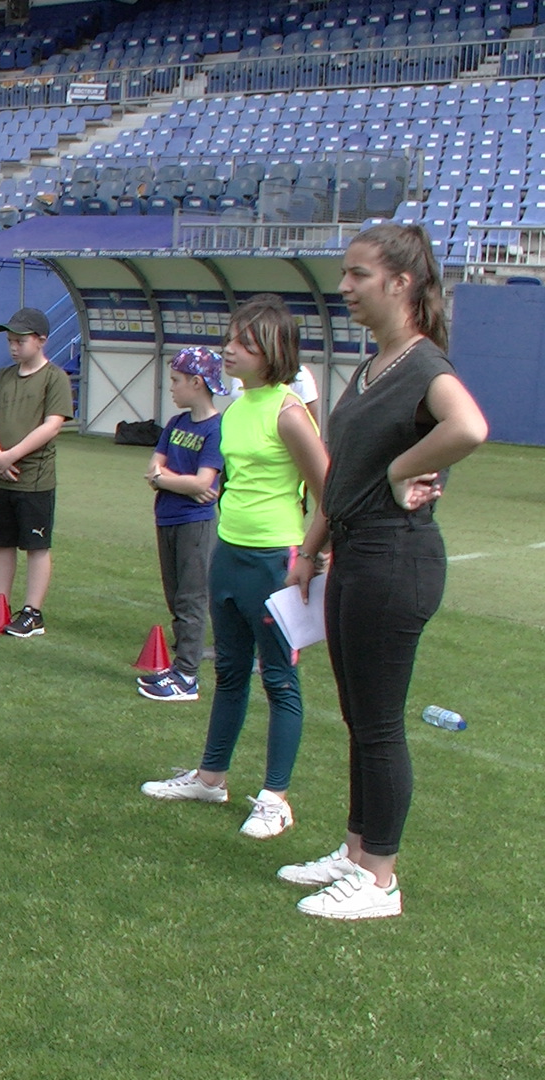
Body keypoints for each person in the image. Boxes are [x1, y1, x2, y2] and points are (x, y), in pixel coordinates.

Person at [278, 224, 489, 920]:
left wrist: (403, 469)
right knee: (358, 716)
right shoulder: (378, 366)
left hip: (395, 558)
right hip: (355, 553)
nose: (345, 288)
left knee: (378, 724)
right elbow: (345, 477)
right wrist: (312, 547)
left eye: (358, 275)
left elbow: (470, 427)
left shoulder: (425, 365)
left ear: (400, 283)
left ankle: (381, 880)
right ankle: (355, 852)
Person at [141, 294, 328, 840]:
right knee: (228, 672)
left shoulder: (289, 412)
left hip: (277, 561)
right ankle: (211, 776)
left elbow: (328, 491)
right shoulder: (238, 409)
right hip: (229, 552)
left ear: (271, 351)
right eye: (231, 337)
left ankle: (275, 796)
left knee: (279, 680)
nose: (229, 349)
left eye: (243, 342)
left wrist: (311, 557)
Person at [0, 307, 73, 638]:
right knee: (2, 542)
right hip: (0, 476)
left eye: (21, 341)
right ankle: (0, 602)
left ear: (41, 341)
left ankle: (33, 611)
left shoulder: (55, 378)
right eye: (11, 341)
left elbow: (52, 425)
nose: (14, 347)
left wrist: (12, 454)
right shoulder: (4, 376)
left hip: (34, 478)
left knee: (36, 545)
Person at [138, 347, 226, 702]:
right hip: (168, 517)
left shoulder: (217, 429)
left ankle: (187, 675)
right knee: (175, 596)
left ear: (197, 382)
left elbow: (204, 484)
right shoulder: (176, 424)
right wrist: (176, 482)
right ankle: (178, 668)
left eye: (176, 380)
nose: (171, 387)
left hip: (195, 523)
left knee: (191, 597)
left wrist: (167, 479)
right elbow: (152, 470)